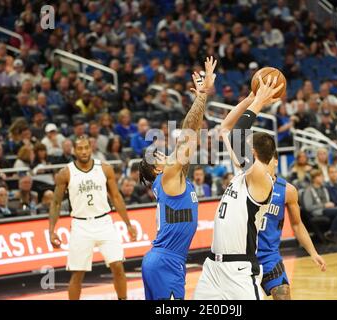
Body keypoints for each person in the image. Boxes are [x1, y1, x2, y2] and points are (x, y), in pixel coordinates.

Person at [194, 75, 291, 300]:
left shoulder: (261, 178)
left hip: (239, 270)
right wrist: (249, 98)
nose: (241, 148)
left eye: (246, 146)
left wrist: (259, 102)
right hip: (212, 267)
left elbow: (237, 134)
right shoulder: (242, 172)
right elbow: (225, 129)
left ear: (254, 154)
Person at [137, 57, 216, 300]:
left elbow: (192, 136)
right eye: (159, 155)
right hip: (166, 261)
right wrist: (202, 95)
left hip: (165, 260)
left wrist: (201, 100)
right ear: (157, 170)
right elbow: (188, 135)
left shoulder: (176, 177)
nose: (165, 153)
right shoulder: (169, 175)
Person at [49, 136, 137, 300]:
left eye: (86, 148)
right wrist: (51, 231)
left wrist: (128, 224)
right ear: (74, 151)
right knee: (78, 273)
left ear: (91, 149)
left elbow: (116, 197)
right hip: (81, 225)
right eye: (80, 148)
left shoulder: (104, 168)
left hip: (104, 222)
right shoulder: (65, 173)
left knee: (117, 265)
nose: (83, 151)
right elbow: (55, 203)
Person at [257, 156, 326, 300]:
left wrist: (313, 253)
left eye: (266, 160)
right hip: (245, 255)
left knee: (284, 296)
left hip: (269, 256)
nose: (262, 164)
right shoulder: (247, 184)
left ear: (276, 161)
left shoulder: (287, 190)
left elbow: (297, 224)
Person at [304, 169, 337, 243]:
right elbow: (308, 207)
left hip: (328, 208)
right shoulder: (308, 190)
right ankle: (331, 233)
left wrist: (330, 204)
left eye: (322, 176)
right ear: (314, 178)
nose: (322, 178)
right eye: (319, 176)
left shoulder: (324, 188)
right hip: (318, 211)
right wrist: (324, 205)